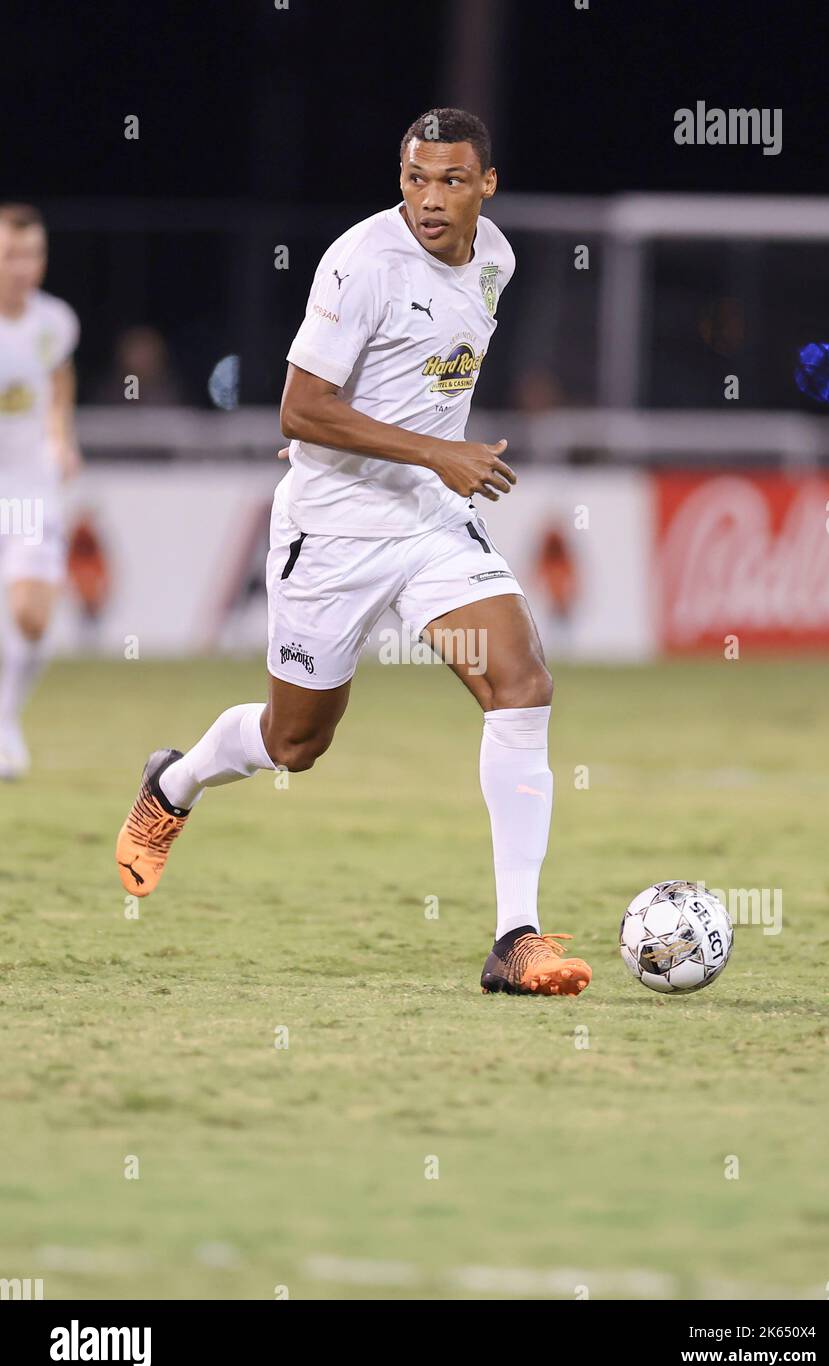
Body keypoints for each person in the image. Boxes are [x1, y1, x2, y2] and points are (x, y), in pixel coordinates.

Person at [116, 108, 591, 998]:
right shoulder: (361, 262)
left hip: (430, 526)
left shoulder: (499, 259)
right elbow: (299, 410)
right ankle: (173, 781)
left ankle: (515, 938)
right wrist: (439, 450)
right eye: (415, 178)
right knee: (295, 743)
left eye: (452, 180)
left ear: (488, 185)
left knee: (520, 683)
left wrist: (436, 464)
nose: (430, 199)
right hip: (332, 531)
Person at [0, 204, 80, 778]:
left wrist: (61, 436)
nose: (25, 267)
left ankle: (5, 722)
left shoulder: (55, 321)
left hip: (26, 489)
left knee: (30, 615)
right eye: (11, 256)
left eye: (34, 254)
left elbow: (58, 377)